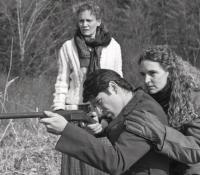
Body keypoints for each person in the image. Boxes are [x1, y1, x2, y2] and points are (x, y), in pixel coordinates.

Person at [41, 69, 171, 175]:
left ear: (113, 87)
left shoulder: (144, 113)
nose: (99, 111)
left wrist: (66, 129)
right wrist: (100, 130)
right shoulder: (137, 105)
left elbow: (117, 162)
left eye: (99, 102)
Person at [52, 2, 122, 175]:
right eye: (81, 21)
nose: (84, 24)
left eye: (89, 20)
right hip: (75, 109)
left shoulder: (113, 46)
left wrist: (114, 114)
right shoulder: (68, 47)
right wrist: (59, 109)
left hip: (102, 111)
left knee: (100, 159)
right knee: (75, 164)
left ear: (98, 21)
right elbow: (62, 81)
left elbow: (119, 81)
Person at [129, 45, 200, 175]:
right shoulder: (141, 97)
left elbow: (196, 150)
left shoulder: (195, 100)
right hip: (159, 165)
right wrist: (102, 123)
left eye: (152, 73)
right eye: (143, 74)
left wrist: (159, 133)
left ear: (170, 72)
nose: (146, 80)